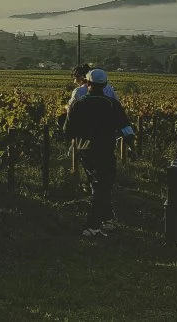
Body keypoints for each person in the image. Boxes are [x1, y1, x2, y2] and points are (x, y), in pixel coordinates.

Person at [64, 69, 135, 237]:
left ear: (88, 83)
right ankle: (93, 225)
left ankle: (107, 219)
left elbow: (67, 130)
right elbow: (125, 128)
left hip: (84, 151)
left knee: (96, 183)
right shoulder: (111, 104)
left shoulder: (78, 104)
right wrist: (132, 146)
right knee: (103, 184)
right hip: (104, 149)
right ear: (104, 85)